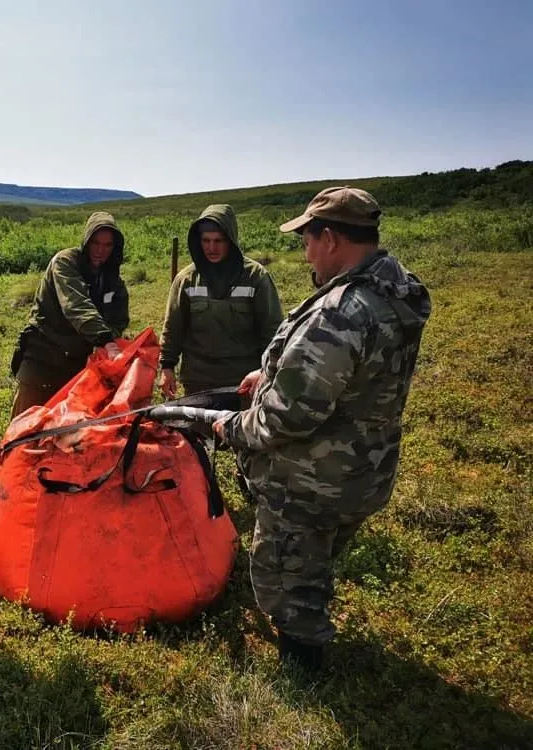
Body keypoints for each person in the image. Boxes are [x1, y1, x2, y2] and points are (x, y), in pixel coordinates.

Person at [212, 187, 431, 671]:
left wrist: (234, 429)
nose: (305, 251)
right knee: (314, 562)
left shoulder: (342, 311)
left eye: (308, 240)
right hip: (362, 470)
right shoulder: (397, 291)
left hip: (311, 480)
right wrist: (268, 374)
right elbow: (344, 375)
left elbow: (289, 415)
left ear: (330, 238)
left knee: (287, 584)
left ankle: (303, 675)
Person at [159, 204, 282, 407]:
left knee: (239, 437)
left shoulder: (255, 277)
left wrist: (267, 372)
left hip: (244, 382)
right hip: (198, 381)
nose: (211, 248)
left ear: (231, 240)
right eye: (206, 241)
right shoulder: (187, 279)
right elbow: (173, 327)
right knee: (199, 437)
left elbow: (272, 330)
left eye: (218, 241)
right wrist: (166, 367)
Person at [9, 211, 129, 418]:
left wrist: (112, 340)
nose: (100, 250)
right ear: (86, 241)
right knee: (25, 426)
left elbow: (118, 319)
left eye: (107, 245)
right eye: (95, 243)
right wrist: (105, 340)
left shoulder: (112, 279)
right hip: (43, 356)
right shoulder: (65, 262)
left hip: (77, 362)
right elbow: (76, 305)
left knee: (66, 428)